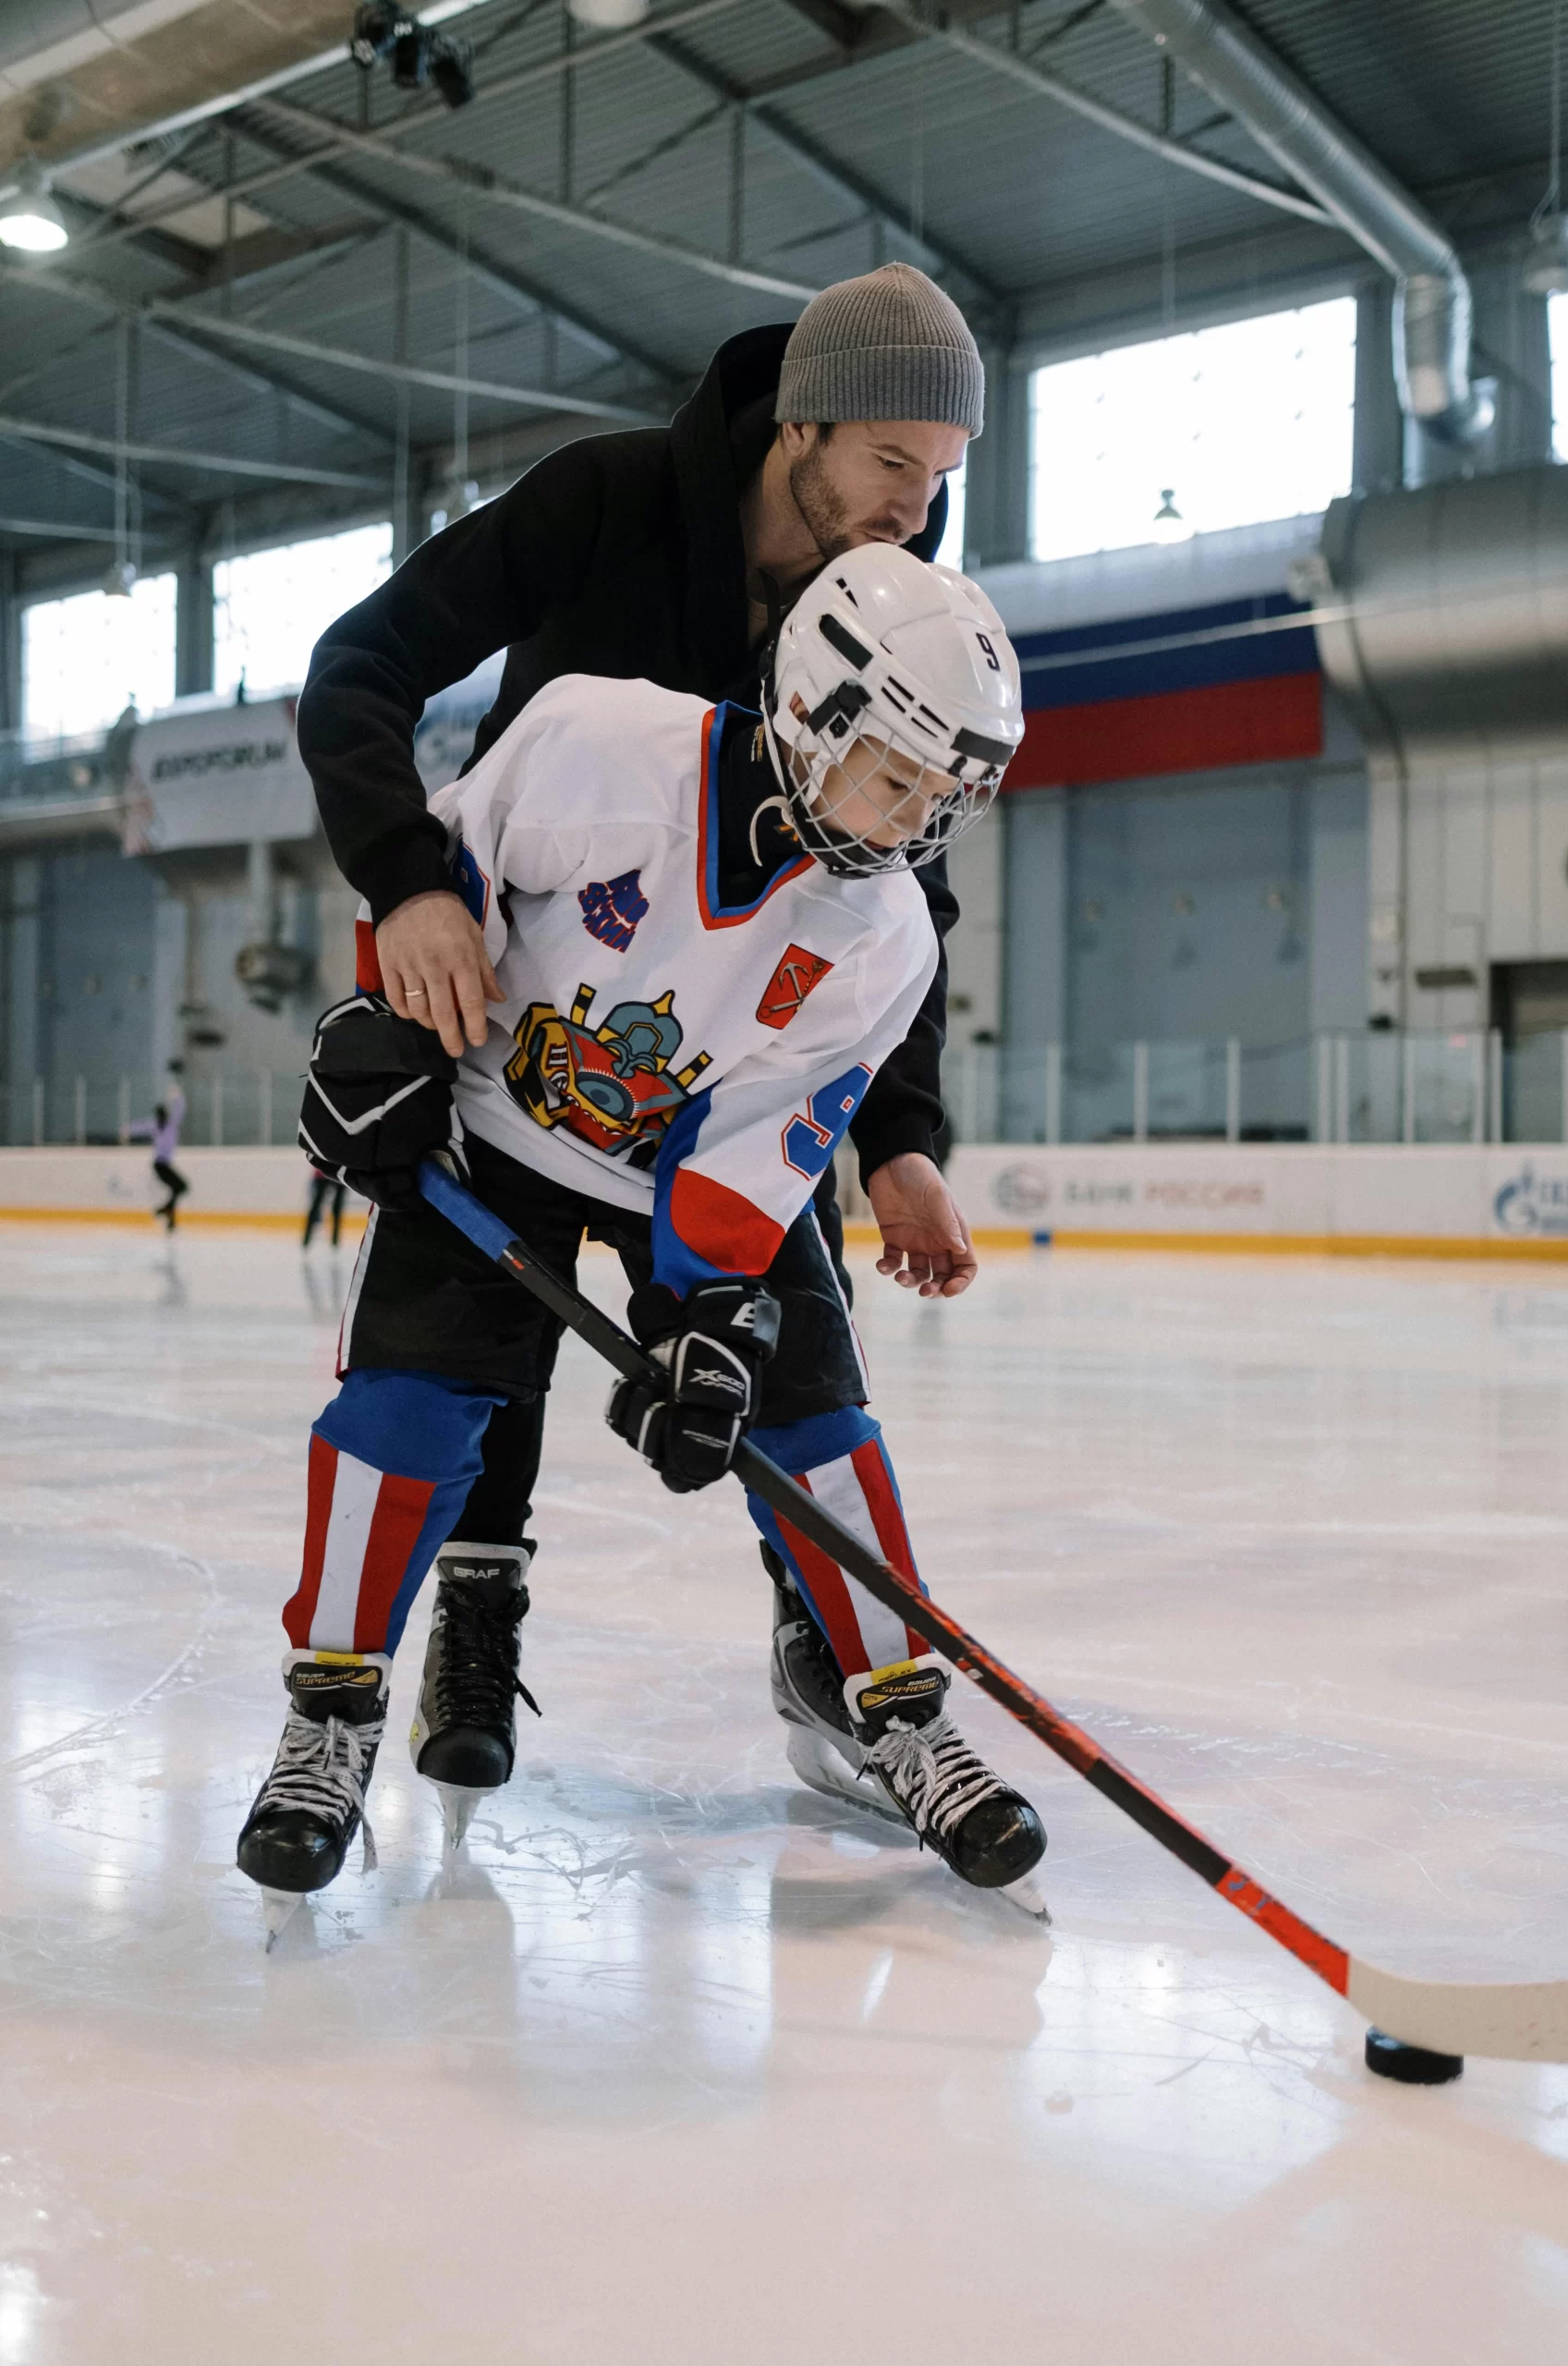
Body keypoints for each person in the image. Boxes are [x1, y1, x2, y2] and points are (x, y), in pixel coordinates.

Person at [237, 543, 1047, 1921]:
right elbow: (446, 898)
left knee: (815, 1423)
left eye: (943, 794)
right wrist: (391, 1050)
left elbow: (761, 1144)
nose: (914, 821)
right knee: (405, 1414)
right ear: (813, 712)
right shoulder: (599, 744)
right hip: (493, 1132)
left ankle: (899, 1713)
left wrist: (708, 1325)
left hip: (682, 1164)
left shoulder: (887, 938)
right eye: (895, 774)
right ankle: (330, 1713)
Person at [296, 265, 991, 1790]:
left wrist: (898, 1143)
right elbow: (361, 666)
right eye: (889, 461)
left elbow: (891, 900)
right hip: (537, 1002)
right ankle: (473, 1634)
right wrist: (409, 887)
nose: (913, 508)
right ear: (802, 421)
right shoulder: (605, 502)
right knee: (486, 1354)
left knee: (787, 1364)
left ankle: (830, 1661)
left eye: (939, 479)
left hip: (725, 1063)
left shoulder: (881, 595)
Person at [127, 1069, 188, 1231]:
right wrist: (127, 1130)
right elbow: (140, 1126)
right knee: (181, 1187)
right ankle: (165, 1210)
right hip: (160, 1165)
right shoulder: (161, 1124)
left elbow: (179, 1109)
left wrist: (177, 1094)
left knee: (178, 1188)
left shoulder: (167, 1124)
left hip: (163, 1164)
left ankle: (169, 1217)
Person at [302, 1172, 347, 1248]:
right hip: (331, 1172)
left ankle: (335, 1240)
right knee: (318, 1205)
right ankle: (307, 1238)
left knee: (336, 1207)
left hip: (337, 1172)